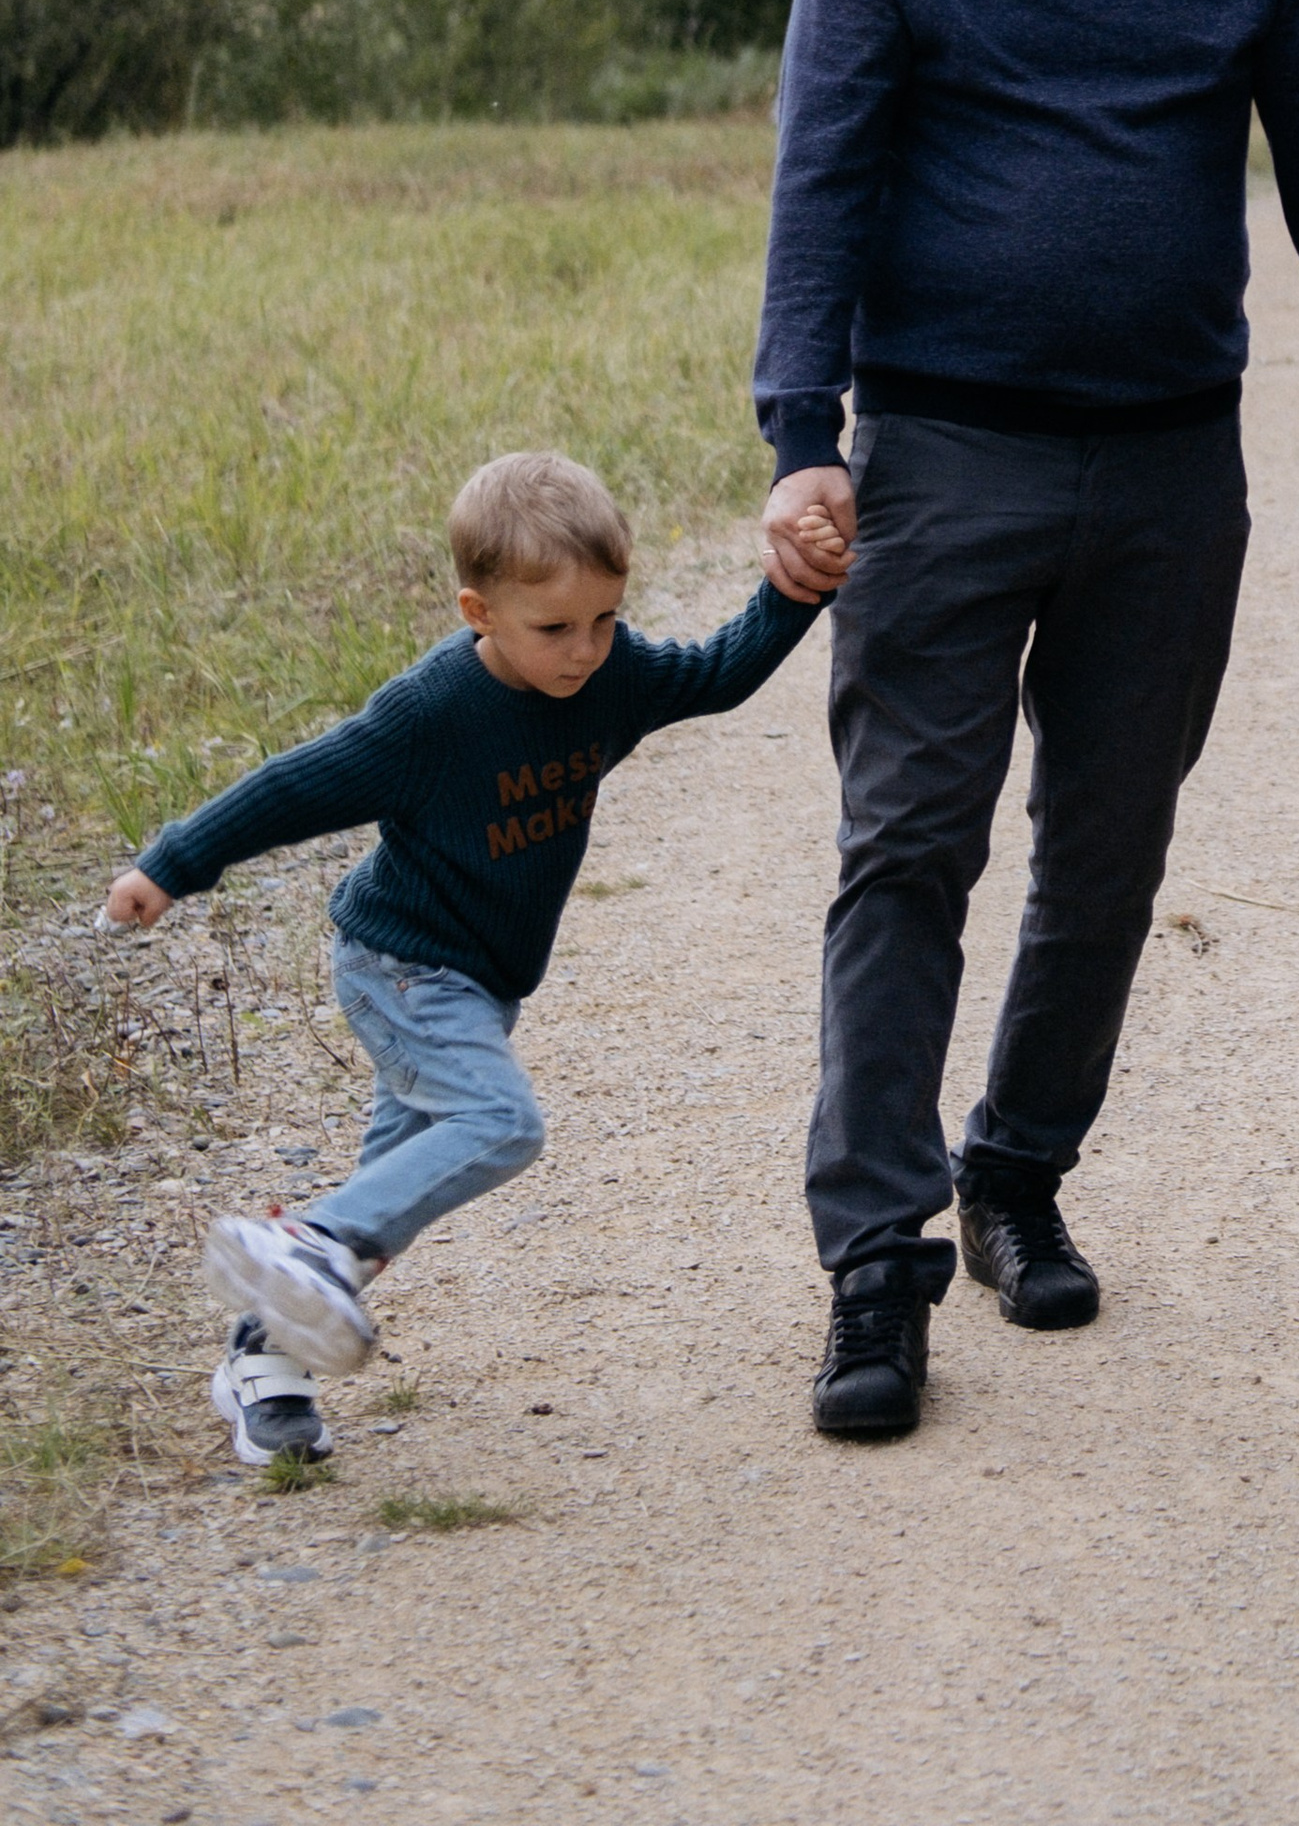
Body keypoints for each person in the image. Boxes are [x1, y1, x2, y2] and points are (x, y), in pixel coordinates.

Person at [755, 0, 1299, 1443]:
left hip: (1165, 466)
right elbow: (820, 178)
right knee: (907, 847)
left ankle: (1017, 1171)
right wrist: (802, 434)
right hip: (940, 458)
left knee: (1109, 848)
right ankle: (874, 1259)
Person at [102, 451, 841, 1465]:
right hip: (401, 967)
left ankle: (262, 1355)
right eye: (555, 629)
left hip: (479, 984)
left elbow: (716, 673)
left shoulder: (611, 676)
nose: (585, 650)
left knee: (393, 1192)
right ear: (478, 613)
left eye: (605, 618)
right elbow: (294, 786)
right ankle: (310, 1242)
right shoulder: (432, 715)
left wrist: (796, 590)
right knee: (499, 1124)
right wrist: (173, 863)